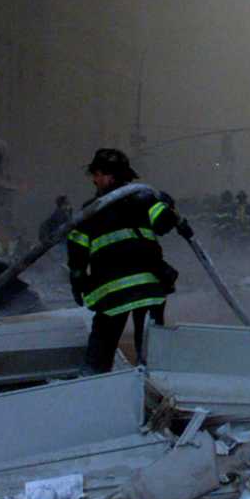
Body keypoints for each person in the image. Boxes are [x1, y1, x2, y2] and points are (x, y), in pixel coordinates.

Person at [66, 148, 192, 373]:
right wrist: (165, 205)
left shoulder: (90, 211)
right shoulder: (142, 199)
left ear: (110, 176)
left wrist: (77, 278)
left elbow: (77, 252)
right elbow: (163, 224)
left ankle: (94, 391)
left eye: (97, 174)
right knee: (152, 358)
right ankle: (150, 391)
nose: (94, 179)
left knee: (98, 361)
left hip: (112, 294)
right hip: (147, 290)